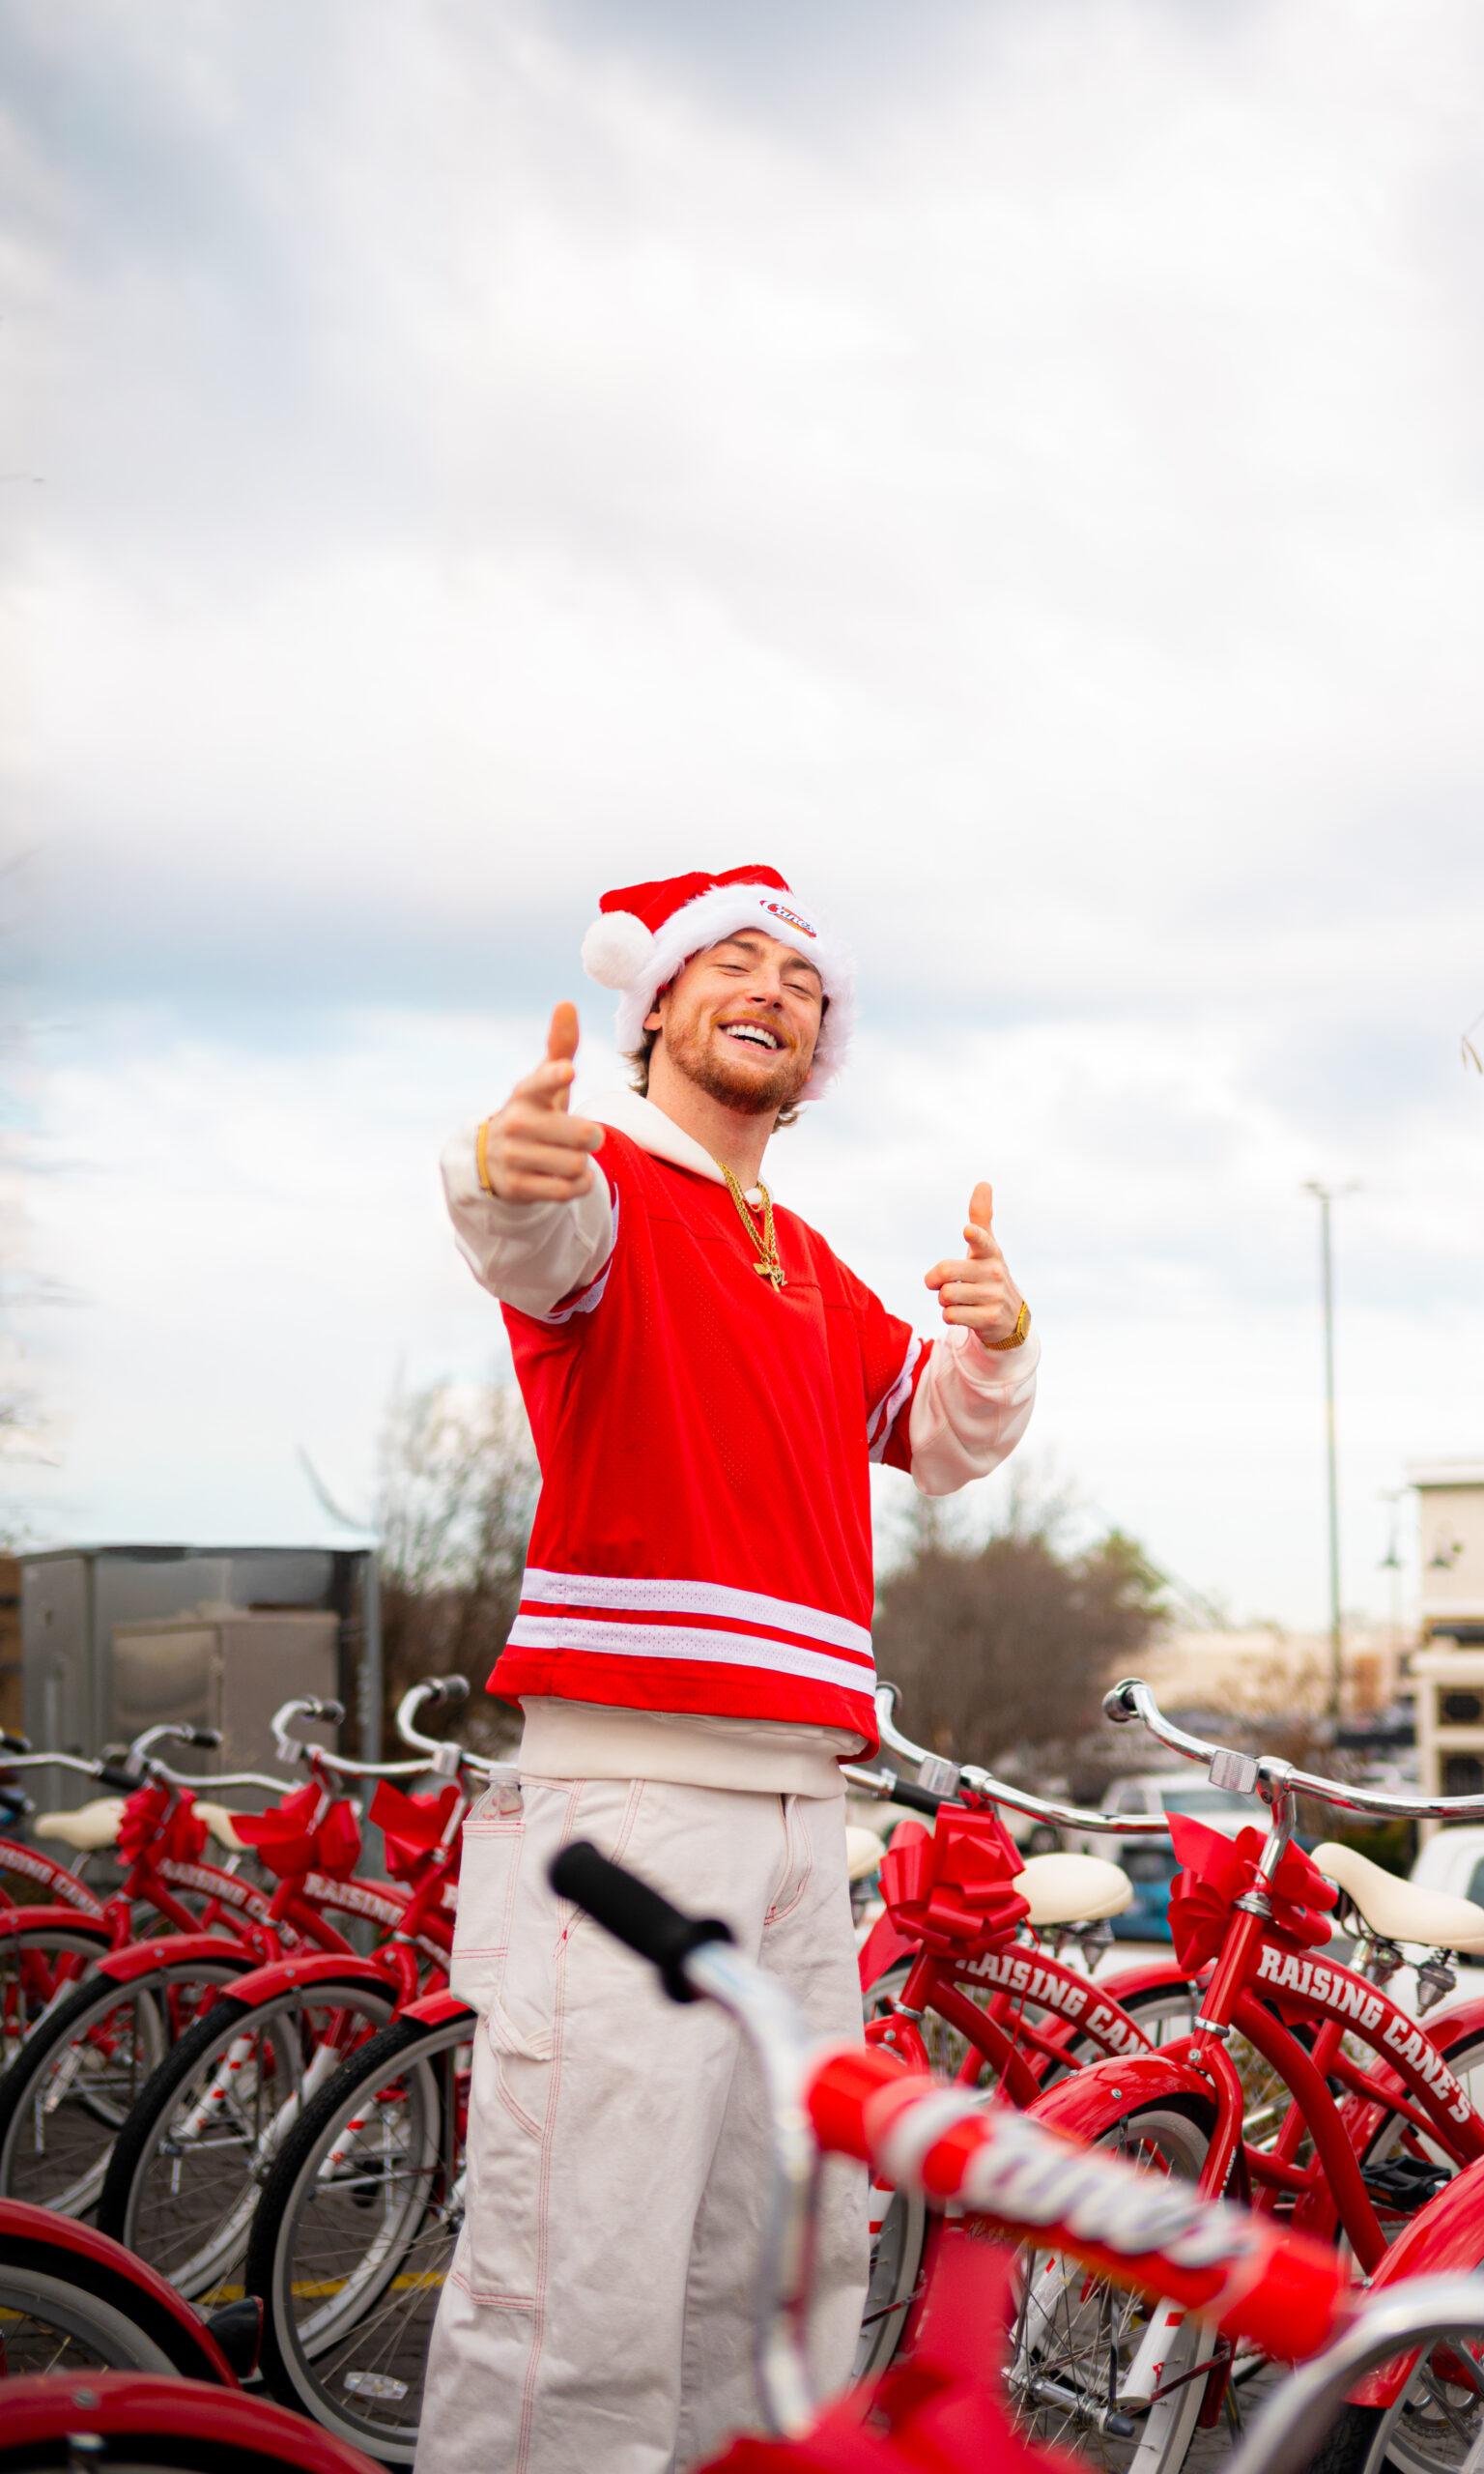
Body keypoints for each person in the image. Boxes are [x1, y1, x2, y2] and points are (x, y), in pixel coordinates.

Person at [417, 864, 1040, 2474]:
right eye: (729, 965)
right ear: (659, 1010)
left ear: (820, 1046)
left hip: (794, 1824)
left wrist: (999, 1342)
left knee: (784, 2270)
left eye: (800, 979)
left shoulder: (809, 1262)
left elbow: (947, 1441)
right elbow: (527, 1227)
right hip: (627, 1807)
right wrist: (501, 1161)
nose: (770, 990)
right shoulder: (609, 1181)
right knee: (578, 2290)